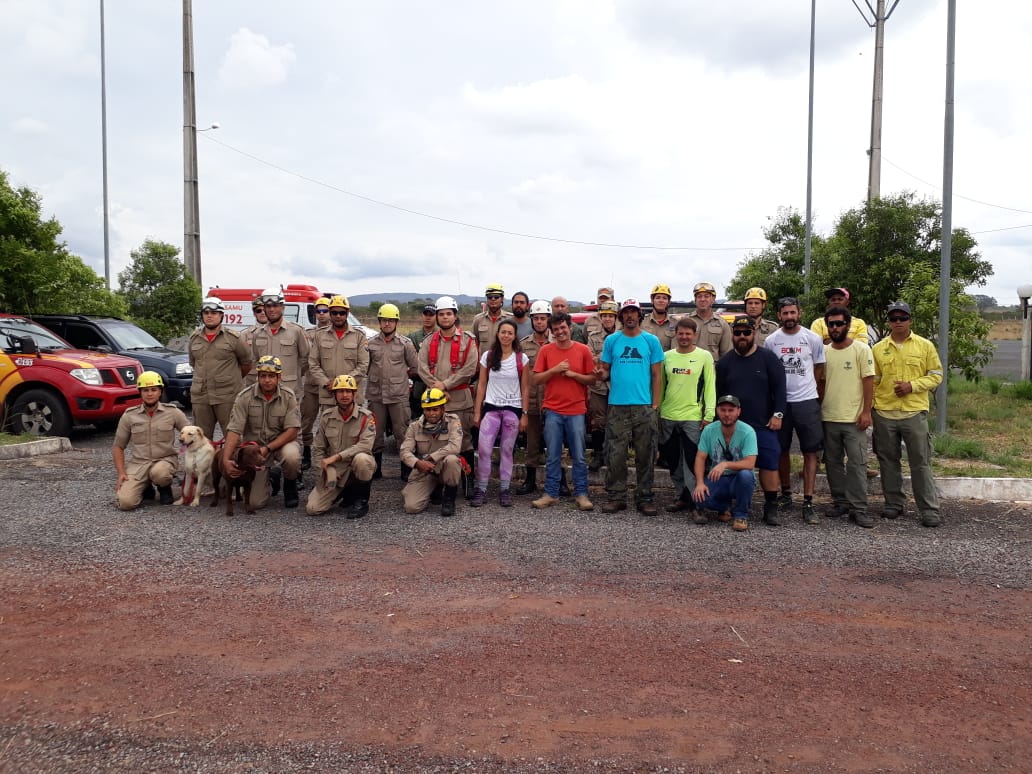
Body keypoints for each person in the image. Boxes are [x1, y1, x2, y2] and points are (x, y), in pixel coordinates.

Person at [871, 301, 944, 527]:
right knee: (888, 461)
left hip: (913, 412)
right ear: (889, 322)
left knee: (920, 462)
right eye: (894, 318)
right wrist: (872, 406)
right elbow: (872, 381)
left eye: (903, 318)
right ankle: (894, 503)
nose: (898, 322)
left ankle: (929, 509)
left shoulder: (925, 346)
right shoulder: (878, 349)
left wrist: (912, 386)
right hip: (885, 412)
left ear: (910, 320)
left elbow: (936, 375)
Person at [716, 316, 788, 526]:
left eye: (746, 333)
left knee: (769, 463)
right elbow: (718, 394)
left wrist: (779, 414)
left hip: (763, 423)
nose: (742, 337)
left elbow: (780, 389)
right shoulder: (725, 362)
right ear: (732, 334)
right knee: (730, 465)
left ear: (754, 333)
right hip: (733, 426)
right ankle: (726, 503)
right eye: (737, 333)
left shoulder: (768, 358)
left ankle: (771, 505)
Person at [599, 298, 665, 515]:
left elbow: (657, 374)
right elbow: (606, 370)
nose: (629, 316)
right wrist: (600, 374)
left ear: (639, 315)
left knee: (645, 453)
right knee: (615, 453)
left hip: (644, 405)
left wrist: (655, 404)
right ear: (621, 316)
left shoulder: (651, 341)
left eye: (633, 312)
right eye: (626, 312)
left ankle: (644, 496)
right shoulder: (612, 341)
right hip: (617, 405)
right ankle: (616, 496)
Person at [763, 297, 826, 524]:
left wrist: (813, 394)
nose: (789, 317)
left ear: (799, 313)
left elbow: (819, 368)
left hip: (807, 401)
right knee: (781, 450)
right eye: (785, 313)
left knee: (810, 452)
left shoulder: (813, 338)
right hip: (781, 403)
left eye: (793, 313)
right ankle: (786, 493)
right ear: (779, 315)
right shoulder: (771, 341)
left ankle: (808, 501)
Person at [531, 312, 596, 511]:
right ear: (552, 331)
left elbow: (592, 379)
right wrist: (554, 370)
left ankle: (582, 494)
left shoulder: (583, 350)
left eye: (563, 328)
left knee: (579, 455)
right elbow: (536, 379)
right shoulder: (546, 351)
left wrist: (573, 374)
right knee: (552, 454)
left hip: (576, 409)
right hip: (552, 410)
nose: (560, 332)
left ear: (570, 328)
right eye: (556, 329)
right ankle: (551, 493)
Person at [416, 295, 479, 497]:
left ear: (455, 316)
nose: (444, 317)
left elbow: (469, 368)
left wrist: (445, 385)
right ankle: (439, 482)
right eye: (441, 314)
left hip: (460, 399)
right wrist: (437, 387)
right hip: (435, 400)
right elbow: (422, 366)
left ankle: (469, 480)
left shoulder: (468, 341)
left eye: (448, 314)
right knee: (437, 441)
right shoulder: (428, 341)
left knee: (465, 441)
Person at [222, 355, 303, 509]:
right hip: (255, 450)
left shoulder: (288, 396)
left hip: (281, 444)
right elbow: (234, 430)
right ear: (258, 377)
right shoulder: (244, 397)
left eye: (272, 376)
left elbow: (293, 431)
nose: (267, 380)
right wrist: (226, 460)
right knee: (255, 503)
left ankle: (290, 484)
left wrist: (268, 448)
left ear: (279, 377)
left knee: (292, 456)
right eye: (263, 376)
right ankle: (271, 479)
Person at [821, 306, 875, 527]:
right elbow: (820, 382)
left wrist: (866, 411)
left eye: (839, 323)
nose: (835, 328)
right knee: (833, 463)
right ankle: (840, 502)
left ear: (848, 325)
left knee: (857, 464)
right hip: (829, 416)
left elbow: (869, 381)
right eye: (831, 324)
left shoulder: (861, 350)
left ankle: (859, 508)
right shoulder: (824, 352)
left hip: (854, 419)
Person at [659, 317, 716, 519]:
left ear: (695, 335)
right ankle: (682, 496)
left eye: (688, 334)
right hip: (667, 415)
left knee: (692, 462)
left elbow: (710, 386)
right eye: (681, 333)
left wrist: (709, 414)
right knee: (673, 460)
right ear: (676, 334)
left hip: (692, 416)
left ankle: (697, 504)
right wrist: (657, 410)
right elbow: (660, 386)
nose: (684, 337)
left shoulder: (704, 356)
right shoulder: (666, 357)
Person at [472, 319, 530, 507]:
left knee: (507, 451)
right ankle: (481, 488)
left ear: (514, 336)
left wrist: (525, 414)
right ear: (498, 334)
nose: (506, 336)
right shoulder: (488, 357)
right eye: (503, 332)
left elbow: (526, 388)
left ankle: (505, 489)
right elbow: (481, 384)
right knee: (484, 450)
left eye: (510, 333)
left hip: (512, 410)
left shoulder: (522, 359)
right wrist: (477, 412)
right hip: (491, 408)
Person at [112, 371, 189, 509]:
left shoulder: (173, 412)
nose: (150, 394)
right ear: (140, 393)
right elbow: (118, 446)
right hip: (139, 464)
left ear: (160, 391)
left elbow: (191, 433)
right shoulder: (129, 415)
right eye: (145, 390)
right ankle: (145, 487)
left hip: (164, 461)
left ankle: (164, 487)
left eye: (154, 390)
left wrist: (190, 457)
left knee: (160, 473)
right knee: (125, 503)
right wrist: (122, 473)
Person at [305, 374, 377, 519]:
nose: (344, 395)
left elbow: (365, 445)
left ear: (355, 394)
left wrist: (336, 457)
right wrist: (324, 471)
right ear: (334, 395)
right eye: (340, 391)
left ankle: (360, 500)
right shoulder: (327, 417)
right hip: (335, 470)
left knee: (362, 459)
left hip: (354, 464)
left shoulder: (366, 417)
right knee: (313, 509)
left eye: (348, 391)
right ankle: (343, 491)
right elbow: (318, 449)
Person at [366, 302, 418, 480]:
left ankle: (406, 469)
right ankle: (376, 469)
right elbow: (365, 367)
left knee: (402, 433)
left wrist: (401, 378)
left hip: (398, 396)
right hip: (376, 396)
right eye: (383, 320)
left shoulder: (405, 344)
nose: (387, 324)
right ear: (379, 322)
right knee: (375, 433)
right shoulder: (370, 344)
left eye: (390, 320)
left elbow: (415, 366)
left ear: (396, 322)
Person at [188, 297, 252, 442]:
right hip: (201, 397)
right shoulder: (194, 339)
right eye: (206, 312)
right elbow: (194, 364)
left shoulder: (233, 338)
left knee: (233, 437)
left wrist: (231, 379)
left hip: (227, 396)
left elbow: (247, 363)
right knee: (200, 439)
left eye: (214, 312)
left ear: (221, 315)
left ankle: (232, 464)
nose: (209, 315)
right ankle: (207, 465)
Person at [692, 395, 758, 532]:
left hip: (738, 479)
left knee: (746, 476)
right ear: (717, 411)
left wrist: (725, 464)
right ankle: (724, 507)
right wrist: (699, 483)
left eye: (731, 410)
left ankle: (741, 515)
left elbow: (750, 463)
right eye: (723, 410)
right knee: (698, 499)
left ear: (738, 411)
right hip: (718, 478)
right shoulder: (709, 430)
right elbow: (700, 458)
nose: (726, 414)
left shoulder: (748, 432)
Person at [400, 388, 464, 517]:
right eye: (428, 410)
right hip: (425, 471)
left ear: (442, 409)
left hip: (444, 468)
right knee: (411, 507)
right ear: (423, 410)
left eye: (435, 409)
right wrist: (417, 463)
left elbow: (455, 446)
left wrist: (431, 458)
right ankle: (434, 489)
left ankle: (449, 500)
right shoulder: (415, 426)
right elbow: (404, 451)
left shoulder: (453, 421)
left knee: (452, 459)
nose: (431, 414)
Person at [513, 300, 552, 496]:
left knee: (555, 443)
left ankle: (558, 481)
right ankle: (530, 481)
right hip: (532, 399)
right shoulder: (523, 344)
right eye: (535, 318)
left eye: (542, 318)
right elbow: (521, 375)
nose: (539, 322)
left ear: (549, 319)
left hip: (553, 400)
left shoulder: (557, 342)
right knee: (532, 442)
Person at [309, 295, 370, 408]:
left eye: (342, 313)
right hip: (328, 395)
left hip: (352, 396)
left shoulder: (359, 336)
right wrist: (326, 383)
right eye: (334, 313)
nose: (338, 316)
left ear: (347, 313)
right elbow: (313, 364)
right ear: (330, 313)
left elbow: (363, 365)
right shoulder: (320, 335)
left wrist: (342, 385)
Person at [249, 287, 310, 402]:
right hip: (264, 393)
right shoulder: (257, 334)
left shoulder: (296, 331)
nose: (272, 310)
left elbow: (306, 358)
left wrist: (292, 374)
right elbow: (256, 359)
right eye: (268, 306)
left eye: (275, 305)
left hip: (289, 392)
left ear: (282, 307)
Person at [586, 299, 619, 471]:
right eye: (604, 315)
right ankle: (598, 454)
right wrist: (608, 359)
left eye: (610, 316)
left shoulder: (623, 335)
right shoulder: (593, 337)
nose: (607, 319)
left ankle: (613, 455)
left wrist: (604, 358)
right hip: (598, 386)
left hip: (618, 385)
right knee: (598, 422)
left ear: (615, 317)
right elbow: (592, 359)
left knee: (616, 422)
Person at [300, 296, 332, 470]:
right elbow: (303, 360)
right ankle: (305, 452)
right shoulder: (308, 334)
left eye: (324, 311)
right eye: (317, 311)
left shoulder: (336, 334)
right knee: (306, 421)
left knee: (328, 422)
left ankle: (327, 454)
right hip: (312, 385)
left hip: (329, 386)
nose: (321, 314)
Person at [407, 302, 438, 420]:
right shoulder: (413, 337)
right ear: (422, 316)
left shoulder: (440, 334)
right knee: (418, 411)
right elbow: (411, 359)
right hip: (419, 381)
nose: (428, 317)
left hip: (437, 379)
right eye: (426, 314)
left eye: (431, 314)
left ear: (436, 316)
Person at [687, 282, 733, 360]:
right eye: (699, 296)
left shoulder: (722, 324)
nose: (702, 299)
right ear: (695, 299)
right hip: (689, 369)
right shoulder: (685, 322)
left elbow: (727, 354)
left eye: (706, 296)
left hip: (713, 370)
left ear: (713, 299)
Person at [471, 282, 513, 353]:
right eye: (490, 297)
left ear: (502, 299)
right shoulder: (478, 319)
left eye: (496, 297)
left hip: (504, 362)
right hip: (484, 362)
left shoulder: (510, 319)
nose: (493, 299)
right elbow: (474, 343)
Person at [240, 298, 269, 387]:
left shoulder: (279, 331)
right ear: (254, 313)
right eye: (259, 310)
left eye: (265, 310)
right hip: (252, 381)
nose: (263, 313)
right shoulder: (244, 335)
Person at [642, 283, 677, 351]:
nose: (661, 301)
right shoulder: (642, 321)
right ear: (652, 301)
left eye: (664, 298)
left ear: (668, 302)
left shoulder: (675, 323)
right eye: (658, 297)